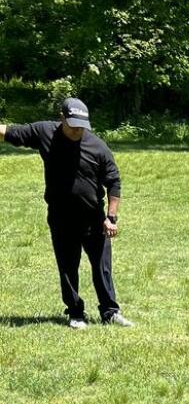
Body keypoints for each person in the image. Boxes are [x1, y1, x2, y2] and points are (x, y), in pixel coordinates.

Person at [0, 97, 133, 329]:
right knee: (68, 267)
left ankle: (110, 312)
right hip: (61, 218)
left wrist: (111, 218)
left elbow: (114, 182)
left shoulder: (98, 147)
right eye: (73, 126)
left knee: (102, 267)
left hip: (93, 218)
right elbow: (10, 132)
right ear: (62, 118)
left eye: (82, 127)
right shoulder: (45, 133)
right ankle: (75, 313)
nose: (78, 131)